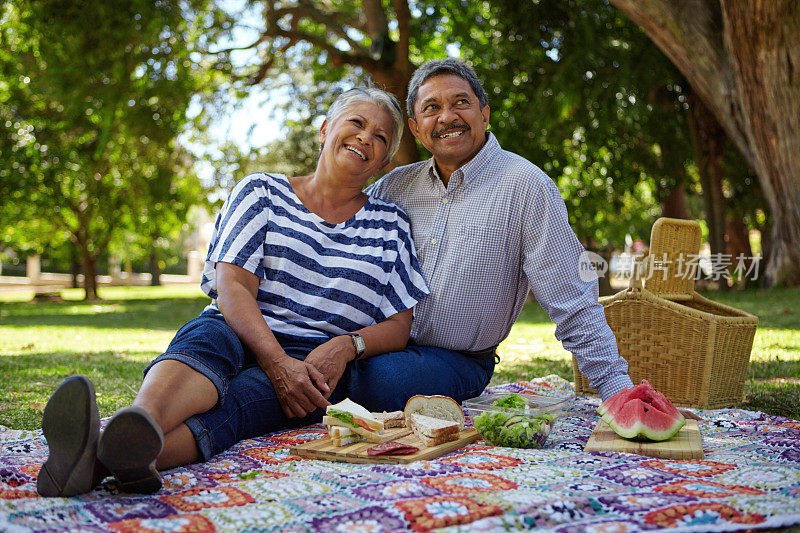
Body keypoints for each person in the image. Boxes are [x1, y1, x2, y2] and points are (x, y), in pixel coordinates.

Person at [36, 88, 429, 497]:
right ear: (326, 129)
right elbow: (233, 287)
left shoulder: (391, 224)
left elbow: (400, 324)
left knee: (239, 407)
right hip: (235, 325)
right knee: (205, 345)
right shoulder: (261, 192)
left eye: (381, 137)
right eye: (357, 123)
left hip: (310, 361)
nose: (366, 137)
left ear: (384, 163)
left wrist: (347, 346)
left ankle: (97, 458)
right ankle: (139, 424)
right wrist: (275, 361)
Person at [346, 58, 634, 411]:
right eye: (431, 108)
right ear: (416, 128)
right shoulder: (393, 188)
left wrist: (619, 393)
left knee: (383, 379)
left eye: (460, 103)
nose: (447, 116)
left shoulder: (527, 186)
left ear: (484, 114)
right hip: (378, 342)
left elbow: (573, 300)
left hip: (458, 360)